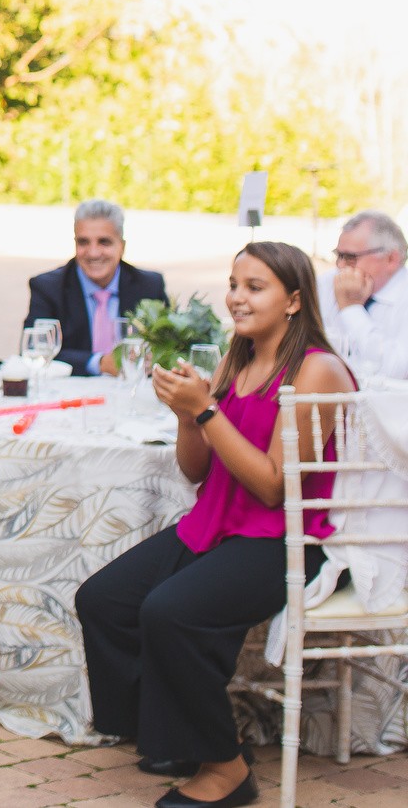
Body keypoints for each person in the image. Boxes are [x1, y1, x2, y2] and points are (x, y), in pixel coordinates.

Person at [74, 242, 355, 808]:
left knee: (170, 611)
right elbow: (196, 469)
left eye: (255, 287)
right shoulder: (237, 359)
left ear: (295, 300)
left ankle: (227, 769)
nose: (236, 298)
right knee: (103, 600)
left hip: (285, 539)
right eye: (234, 284)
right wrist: (188, 417)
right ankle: (171, 737)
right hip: (217, 523)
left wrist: (207, 410)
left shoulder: (318, 369)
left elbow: (275, 486)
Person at [24, 199, 168, 375]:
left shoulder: (149, 287)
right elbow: (33, 351)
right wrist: (99, 363)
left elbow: (170, 347)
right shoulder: (48, 287)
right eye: (83, 242)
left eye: (104, 242)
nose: (93, 253)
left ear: (122, 246)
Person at [321, 209, 408, 382]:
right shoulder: (326, 283)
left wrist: (351, 309)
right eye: (338, 255)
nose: (341, 266)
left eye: (350, 257)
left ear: (391, 259)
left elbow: (397, 371)